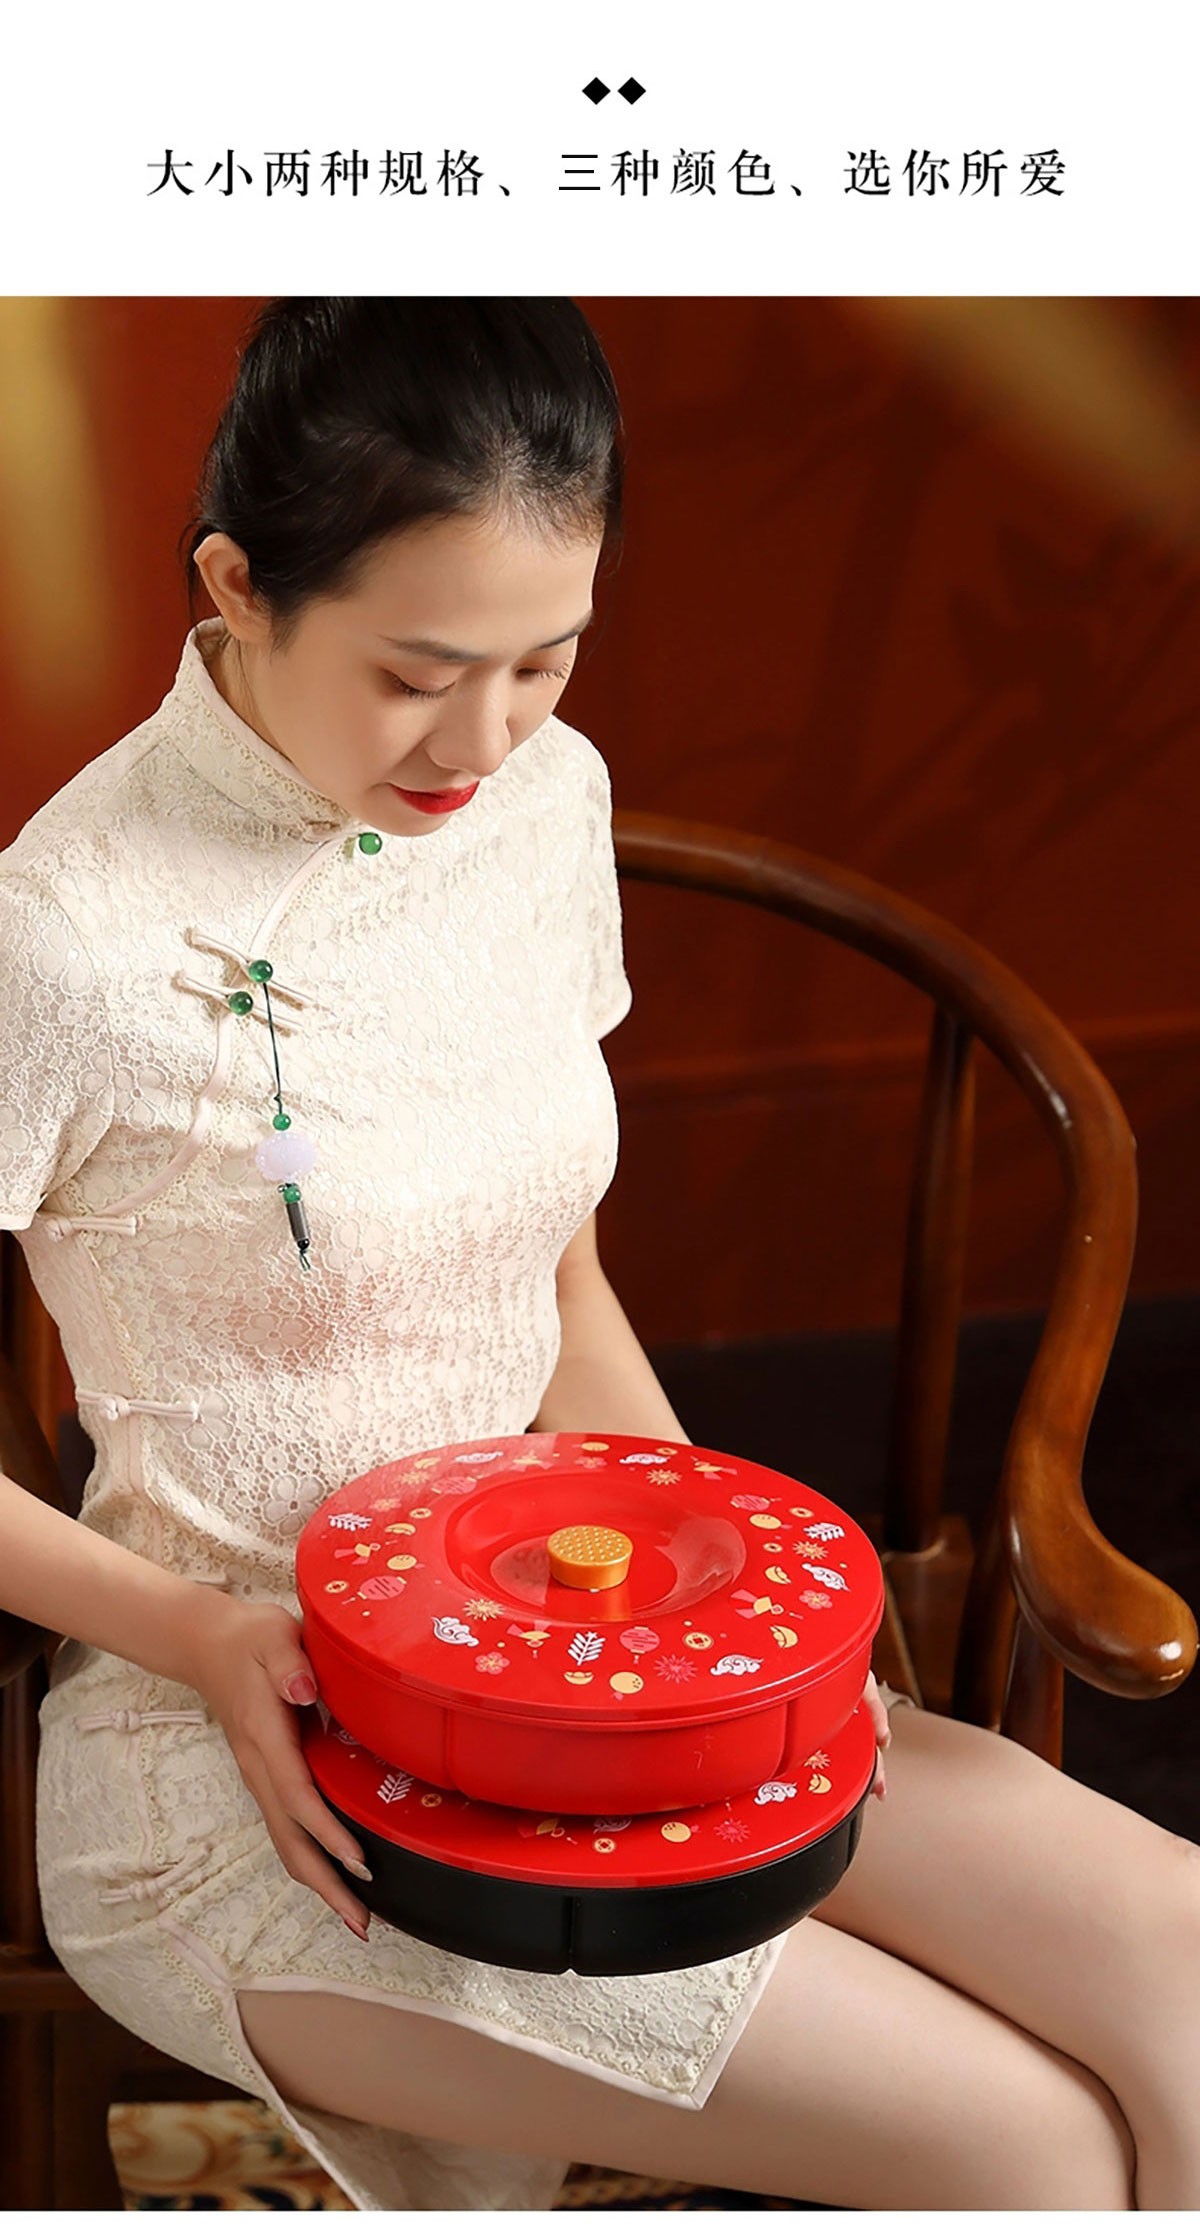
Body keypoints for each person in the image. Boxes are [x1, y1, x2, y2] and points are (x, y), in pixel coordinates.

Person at [0, 297, 1194, 2213]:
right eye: (417, 673)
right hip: (245, 1734)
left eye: (545, 660)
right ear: (234, 586)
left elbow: (553, 1276)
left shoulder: (543, 799)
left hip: (579, 1657)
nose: (483, 737)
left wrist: (724, 1634)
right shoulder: (66, 933)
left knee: (1185, 1968)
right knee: (1030, 2144)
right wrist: (200, 1635)